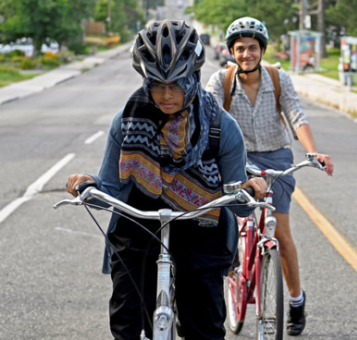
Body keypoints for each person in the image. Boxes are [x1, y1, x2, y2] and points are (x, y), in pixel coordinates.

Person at [65, 19, 267, 340]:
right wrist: (87, 185)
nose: (166, 95)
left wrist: (247, 190)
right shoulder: (126, 121)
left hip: (202, 221)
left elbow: (238, 202)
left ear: (193, 78)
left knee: (205, 326)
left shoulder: (222, 127)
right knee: (126, 317)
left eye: (176, 84)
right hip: (139, 219)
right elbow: (110, 188)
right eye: (157, 84)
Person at [206, 16, 334, 336]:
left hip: (277, 157)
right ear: (231, 52)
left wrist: (313, 151)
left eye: (252, 48)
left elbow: (296, 115)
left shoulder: (279, 78)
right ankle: (232, 266)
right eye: (240, 49)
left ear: (261, 49)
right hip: (237, 159)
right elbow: (206, 120)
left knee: (281, 232)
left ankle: (295, 300)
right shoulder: (220, 82)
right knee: (229, 222)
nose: (246, 54)